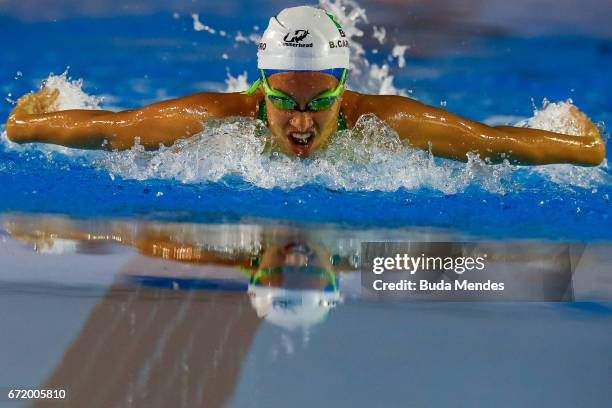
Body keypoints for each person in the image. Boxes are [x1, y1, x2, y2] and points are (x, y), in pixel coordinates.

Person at [4, 6, 606, 165]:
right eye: (284, 103)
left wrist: (581, 142)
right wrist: (32, 119)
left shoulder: (382, 123)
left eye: (320, 103)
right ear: (260, 90)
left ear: (343, 90)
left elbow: (498, 142)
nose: (300, 123)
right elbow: (111, 129)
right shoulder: (217, 118)